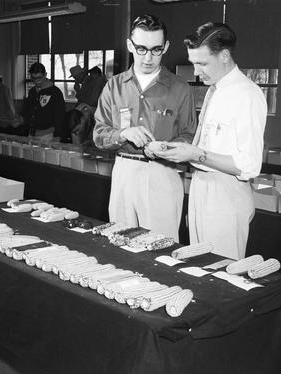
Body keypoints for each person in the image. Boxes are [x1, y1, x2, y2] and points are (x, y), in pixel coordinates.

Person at [155, 22, 267, 259]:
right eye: (194, 62)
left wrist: (195, 154)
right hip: (201, 187)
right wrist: (184, 150)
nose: (196, 71)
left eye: (202, 63)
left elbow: (248, 165)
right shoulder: (215, 89)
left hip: (226, 195)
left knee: (221, 276)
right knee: (199, 268)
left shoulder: (246, 94)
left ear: (225, 55)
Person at [93, 14, 197, 241]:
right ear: (129, 45)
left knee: (160, 246)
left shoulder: (180, 89)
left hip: (162, 172)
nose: (148, 57)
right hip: (124, 171)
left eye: (156, 50)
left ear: (166, 47)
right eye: (141, 49)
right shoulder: (114, 86)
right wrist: (122, 134)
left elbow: (189, 136)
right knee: (119, 242)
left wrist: (166, 148)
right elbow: (99, 135)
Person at [22, 62, 66, 141]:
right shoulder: (32, 91)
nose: (36, 81)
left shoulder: (55, 92)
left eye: (39, 78)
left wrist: (57, 135)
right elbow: (28, 110)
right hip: (32, 133)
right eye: (34, 78)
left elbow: (60, 116)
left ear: (45, 75)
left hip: (48, 135)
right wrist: (21, 118)